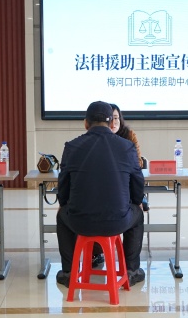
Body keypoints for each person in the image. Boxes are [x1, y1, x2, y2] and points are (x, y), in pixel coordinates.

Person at [55, 101, 146, 287]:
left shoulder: (72, 147)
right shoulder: (127, 147)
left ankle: (69, 273)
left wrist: (64, 204)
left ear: (85, 123)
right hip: (118, 222)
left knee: (61, 215)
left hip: (79, 222)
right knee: (138, 214)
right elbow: (138, 184)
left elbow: (63, 188)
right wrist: (136, 202)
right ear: (111, 123)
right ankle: (131, 271)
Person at [110, 103, 143, 168]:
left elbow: (138, 162)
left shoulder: (129, 135)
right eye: (110, 118)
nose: (113, 122)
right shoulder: (99, 136)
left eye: (116, 118)